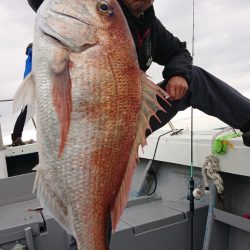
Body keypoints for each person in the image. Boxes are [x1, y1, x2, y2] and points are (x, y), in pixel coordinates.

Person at [26, 0, 250, 248]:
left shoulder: (149, 24)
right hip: (83, 128)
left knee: (194, 78)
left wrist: (178, 73)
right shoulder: (92, 11)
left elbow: (179, 51)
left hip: (125, 119)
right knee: (90, 187)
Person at [11, 43, 33, 146]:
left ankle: (16, 136)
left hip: (32, 85)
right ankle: (16, 137)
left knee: (27, 111)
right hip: (30, 86)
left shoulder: (31, 57)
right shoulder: (32, 52)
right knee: (25, 112)